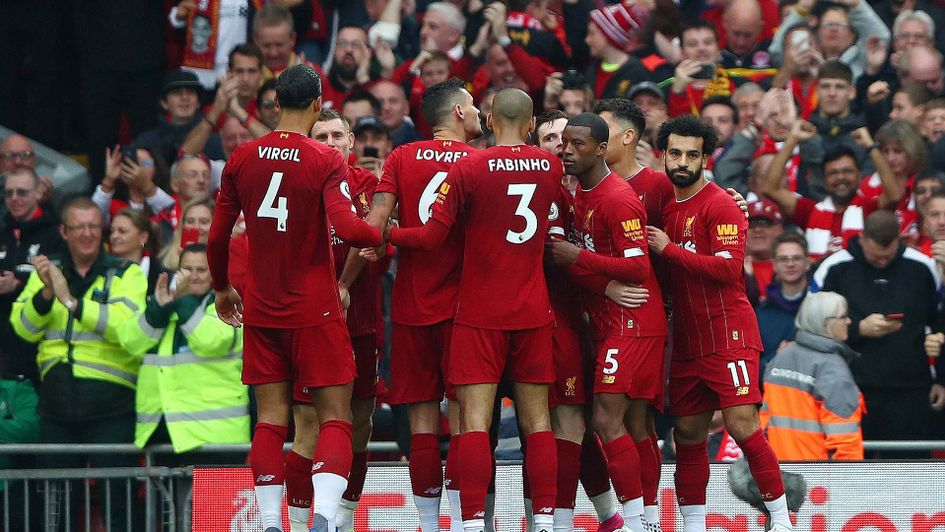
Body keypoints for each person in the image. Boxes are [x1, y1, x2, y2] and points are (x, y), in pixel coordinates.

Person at [206, 64, 382, 532]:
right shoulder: (324, 160)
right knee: (334, 419)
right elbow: (348, 228)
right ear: (317, 102)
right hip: (315, 307)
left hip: (262, 308)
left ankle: (269, 520)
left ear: (276, 103)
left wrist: (223, 288)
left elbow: (218, 234)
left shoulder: (242, 158)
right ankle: (324, 515)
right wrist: (376, 232)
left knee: (270, 420)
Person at [385, 88, 560, 532]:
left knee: (475, 425)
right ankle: (543, 522)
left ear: (489, 116)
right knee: (537, 422)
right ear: (533, 121)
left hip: (479, 312)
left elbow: (429, 238)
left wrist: (389, 233)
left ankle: (470, 524)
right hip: (533, 308)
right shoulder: (551, 165)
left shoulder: (471, 166)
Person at [645, 115, 793, 532]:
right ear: (663, 155)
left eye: (693, 155)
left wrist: (669, 250)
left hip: (728, 334)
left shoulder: (722, 203)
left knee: (743, 425)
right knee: (688, 434)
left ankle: (782, 520)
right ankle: (694, 524)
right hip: (689, 340)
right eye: (675, 152)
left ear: (705, 159)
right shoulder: (663, 207)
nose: (683, 162)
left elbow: (729, 272)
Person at [362, 77, 482, 532]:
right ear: (455, 113)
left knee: (424, 424)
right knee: (470, 418)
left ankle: (430, 525)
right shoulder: (479, 162)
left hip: (411, 307)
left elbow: (374, 227)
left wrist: (367, 250)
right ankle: (471, 524)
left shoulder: (400, 157)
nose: (476, 113)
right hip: (464, 310)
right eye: (471, 106)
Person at [546, 113, 667, 532]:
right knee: (634, 424)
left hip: (632, 322)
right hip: (610, 319)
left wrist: (578, 257)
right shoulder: (580, 192)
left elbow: (636, 268)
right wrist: (600, 284)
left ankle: (635, 521)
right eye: (565, 143)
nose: (568, 151)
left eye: (578, 144)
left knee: (605, 420)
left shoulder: (616, 197)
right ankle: (648, 517)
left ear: (601, 149)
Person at [10, 196, 147, 531]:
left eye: (93, 226)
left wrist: (72, 302)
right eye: (78, 227)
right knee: (56, 506)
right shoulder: (46, 272)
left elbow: (126, 327)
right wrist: (45, 294)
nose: (86, 233)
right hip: (56, 404)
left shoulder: (126, 273)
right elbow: (23, 329)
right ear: (64, 231)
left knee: (120, 502)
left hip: (112, 406)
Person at [283, 109, 383, 532]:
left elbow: (373, 240)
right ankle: (300, 521)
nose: (328, 141)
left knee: (360, 422)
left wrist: (342, 285)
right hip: (311, 325)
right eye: (319, 135)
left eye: (335, 134)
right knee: (308, 425)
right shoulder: (294, 189)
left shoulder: (370, 186)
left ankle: (343, 519)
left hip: (361, 323)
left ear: (351, 141)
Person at [810, 210, 944, 457]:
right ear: (862, 238)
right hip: (850, 389)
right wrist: (858, 329)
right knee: (852, 473)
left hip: (911, 391)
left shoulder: (923, 268)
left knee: (909, 473)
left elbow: (939, 323)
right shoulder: (834, 268)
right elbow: (812, 327)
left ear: (899, 240)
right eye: (875, 256)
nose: (881, 260)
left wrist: (941, 379)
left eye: (888, 255)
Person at [118, 243, 248, 453]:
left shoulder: (228, 308)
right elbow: (130, 342)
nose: (193, 276)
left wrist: (183, 300)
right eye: (187, 269)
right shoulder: (164, 305)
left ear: (214, 274)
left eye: (201, 270)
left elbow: (210, 341)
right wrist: (158, 311)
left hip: (216, 438)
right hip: (161, 433)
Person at [760, 291, 866, 460]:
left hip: (777, 471)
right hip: (816, 478)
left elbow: (764, 421)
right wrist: (849, 482)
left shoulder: (781, 357)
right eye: (843, 316)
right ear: (826, 325)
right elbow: (845, 441)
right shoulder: (832, 369)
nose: (849, 321)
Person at [0, 168, 64, 382]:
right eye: (9, 193)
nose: (14, 199)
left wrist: (17, 285)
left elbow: (62, 284)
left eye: (22, 193)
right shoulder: (2, 232)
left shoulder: (56, 234)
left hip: (37, 351)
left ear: (38, 193)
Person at [755, 233, 810, 377]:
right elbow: (752, 369)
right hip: (773, 394)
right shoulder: (760, 313)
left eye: (797, 258)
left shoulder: (821, 306)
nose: (790, 264)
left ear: (807, 263)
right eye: (783, 259)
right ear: (774, 265)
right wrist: (777, 358)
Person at [93, 145, 175, 225]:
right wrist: (109, 180)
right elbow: (93, 220)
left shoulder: (170, 197)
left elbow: (176, 217)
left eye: (146, 163)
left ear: (156, 169)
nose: (139, 168)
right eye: (135, 162)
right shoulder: (113, 204)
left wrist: (146, 185)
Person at [108, 207, 163, 294]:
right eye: (112, 231)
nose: (114, 236)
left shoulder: (160, 273)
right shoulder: (102, 267)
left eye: (122, 231)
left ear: (143, 237)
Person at [159, 198, 215, 271]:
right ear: (182, 225)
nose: (196, 227)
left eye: (203, 222)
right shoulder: (163, 264)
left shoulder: (228, 259)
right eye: (190, 221)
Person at [370, 80, 422, 148]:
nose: (387, 107)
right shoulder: (356, 142)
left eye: (393, 101)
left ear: (406, 107)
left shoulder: (421, 146)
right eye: (380, 102)